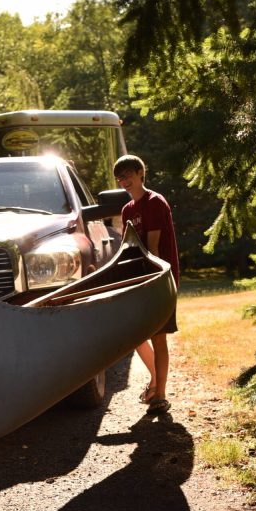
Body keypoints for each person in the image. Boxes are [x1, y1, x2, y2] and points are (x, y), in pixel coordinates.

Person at [113, 154, 179, 414]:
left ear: (141, 173)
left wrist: (153, 283)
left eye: (128, 174)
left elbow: (152, 248)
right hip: (139, 281)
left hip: (159, 280)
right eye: (120, 178)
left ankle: (160, 395)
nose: (124, 181)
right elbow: (128, 250)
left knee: (158, 337)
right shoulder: (127, 210)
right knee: (136, 336)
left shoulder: (154, 203)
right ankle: (155, 382)